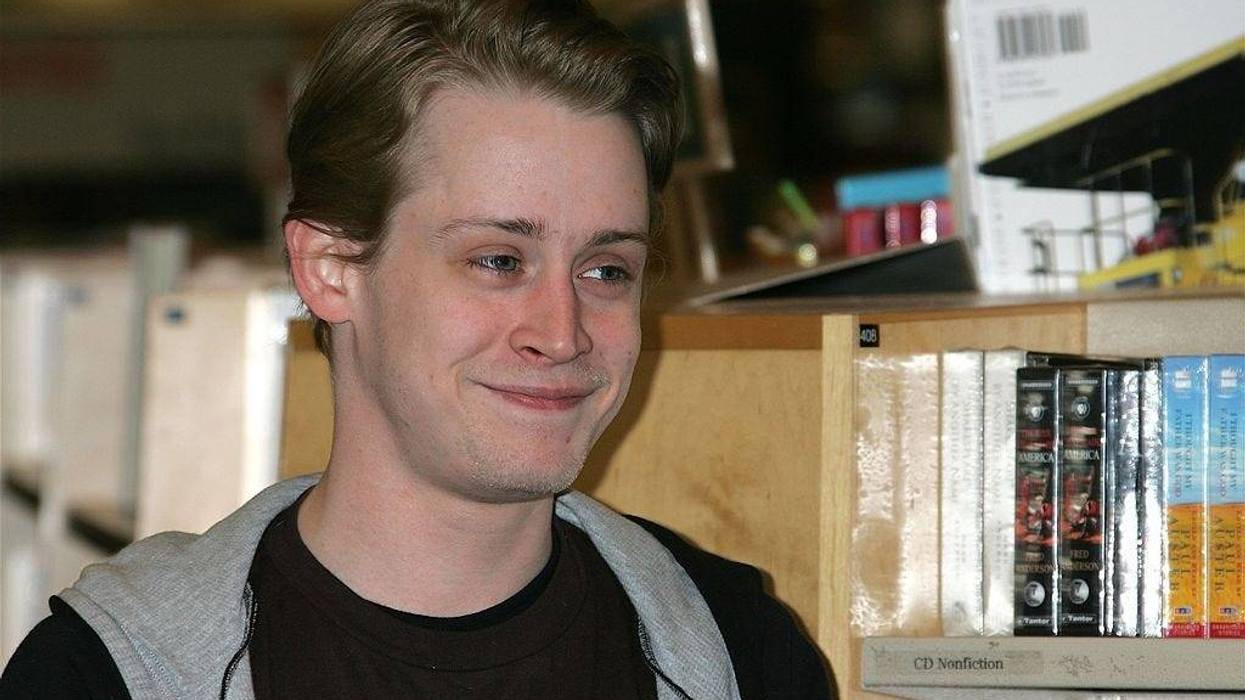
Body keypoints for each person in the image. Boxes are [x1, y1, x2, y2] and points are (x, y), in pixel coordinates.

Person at [1, 1, 832, 697]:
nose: (562, 330)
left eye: (607, 269)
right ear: (330, 271)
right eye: (498, 261)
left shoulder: (741, 651)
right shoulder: (104, 676)